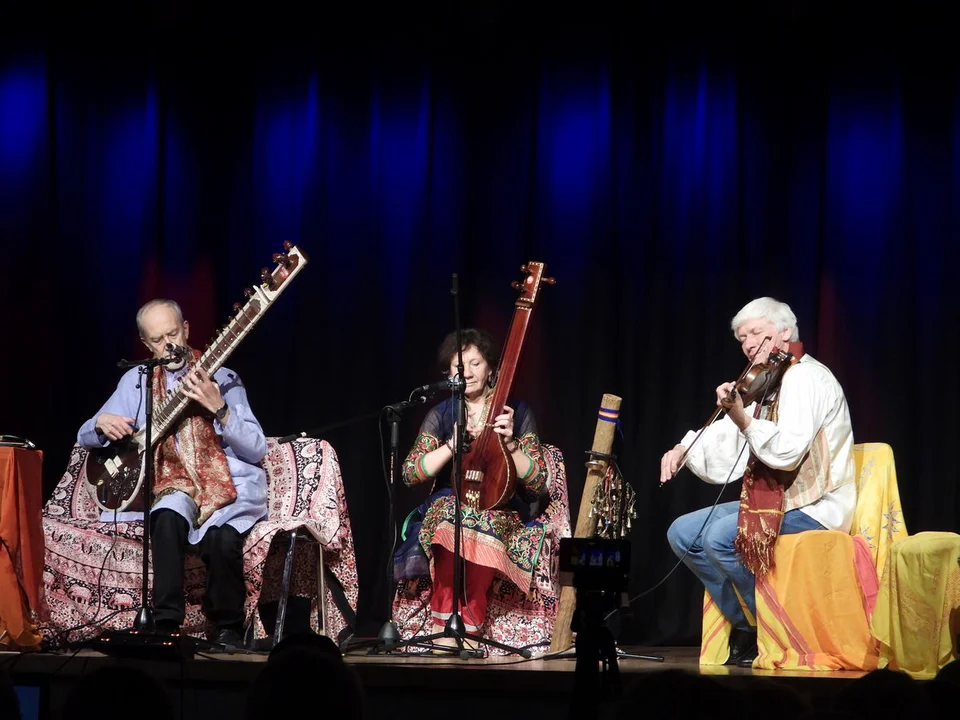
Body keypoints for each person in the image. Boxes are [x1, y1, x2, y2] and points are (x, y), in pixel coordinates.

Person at [660, 297, 855, 667]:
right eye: (742, 337)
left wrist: (741, 418)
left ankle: (775, 626)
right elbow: (728, 435)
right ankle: (747, 624)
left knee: (718, 536)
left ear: (784, 332)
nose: (748, 343)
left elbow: (789, 450)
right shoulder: (771, 379)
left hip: (816, 504)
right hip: (780, 500)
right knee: (683, 533)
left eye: (756, 333)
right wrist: (684, 447)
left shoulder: (808, 378)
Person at [78, 298, 268, 646]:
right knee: (165, 518)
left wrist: (220, 409)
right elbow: (85, 435)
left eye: (174, 333)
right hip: (174, 483)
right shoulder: (137, 381)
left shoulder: (222, 377)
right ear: (146, 345)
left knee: (221, 540)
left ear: (187, 329)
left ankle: (227, 627)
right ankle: (165, 624)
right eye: (158, 339)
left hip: (225, 484)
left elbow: (256, 447)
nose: (169, 344)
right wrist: (100, 423)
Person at [393, 328, 549, 648]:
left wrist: (511, 445)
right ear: (449, 375)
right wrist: (450, 446)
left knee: (480, 525)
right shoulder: (443, 413)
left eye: (476, 363)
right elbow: (410, 473)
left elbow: (536, 485)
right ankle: (445, 631)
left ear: (491, 367)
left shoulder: (515, 412)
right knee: (453, 518)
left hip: (500, 508)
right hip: (451, 504)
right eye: (459, 367)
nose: (469, 372)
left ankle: (471, 631)